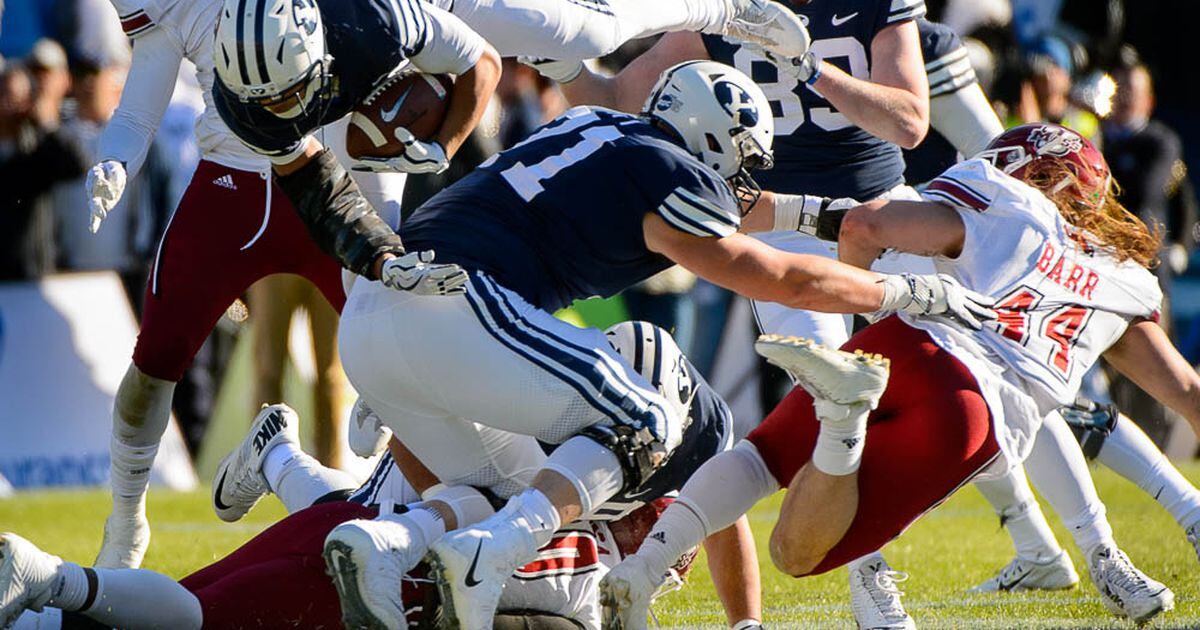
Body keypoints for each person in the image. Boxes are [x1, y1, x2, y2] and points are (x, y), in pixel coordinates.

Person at [330, 60, 989, 630]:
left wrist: (813, 213)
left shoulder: (593, 131)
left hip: (373, 317)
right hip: (459, 306)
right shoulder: (667, 170)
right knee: (647, 418)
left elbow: (721, 205)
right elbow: (781, 277)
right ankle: (492, 554)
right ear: (714, 138)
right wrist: (903, 293)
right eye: (739, 164)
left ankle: (386, 545)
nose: (739, 183)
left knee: (494, 488)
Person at [603, 123, 1187, 627]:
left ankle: (642, 569)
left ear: (1029, 173)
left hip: (907, 344)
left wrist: (865, 328)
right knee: (794, 552)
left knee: (762, 459)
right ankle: (844, 422)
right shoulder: (1124, 282)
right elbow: (1185, 390)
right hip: (974, 411)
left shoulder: (1008, 203)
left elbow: (861, 228)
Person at [87, 0, 468, 570]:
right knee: (154, 360)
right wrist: (115, 161)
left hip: (334, 182)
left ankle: (432, 514)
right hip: (230, 189)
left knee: (404, 362)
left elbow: (465, 54)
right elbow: (138, 115)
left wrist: (431, 159)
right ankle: (124, 521)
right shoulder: (187, 9)